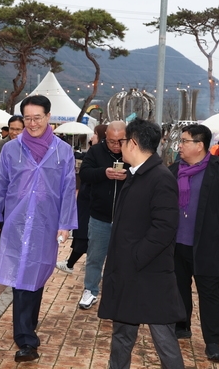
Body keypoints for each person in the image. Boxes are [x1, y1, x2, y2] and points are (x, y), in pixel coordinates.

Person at [0, 95, 77, 362]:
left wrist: (65, 225)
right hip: (15, 224)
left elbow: (68, 189)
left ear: (49, 117)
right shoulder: (11, 149)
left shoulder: (63, 151)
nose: (33, 122)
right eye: (28, 118)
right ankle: (26, 339)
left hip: (45, 225)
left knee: (36, 277)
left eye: (38, 117)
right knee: (20, 280)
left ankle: (27, 330)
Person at [98, 118, 185, 369]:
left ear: (133, 143)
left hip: (150, 274)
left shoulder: (160, 177)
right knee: (122, 335)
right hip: (128, 273)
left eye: (123, 141)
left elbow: (165, 227)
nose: (120, 145)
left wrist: (136, 256)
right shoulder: (136, 174)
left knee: (164, 338)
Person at [169, 124, 219, 363]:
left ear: (199, 145)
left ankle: (212, 342)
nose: (180, 145)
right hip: (176, 243)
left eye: (184, 141)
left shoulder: (218, 172)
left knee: (209, 293)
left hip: (206, 245)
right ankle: (182, 324)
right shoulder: (173, 170)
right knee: (179, 287)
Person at [77, 121, 128, 310]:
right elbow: (85, 173)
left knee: (124, 258)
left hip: (126, 217)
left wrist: (128, 176)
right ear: (105, 136)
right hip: (100, 215)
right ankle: (90, 290)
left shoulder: (133, 151)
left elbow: (144, 174)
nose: (116, 145)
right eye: (111, 141)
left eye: (120, 141)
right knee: (95, 256)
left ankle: (120, 294)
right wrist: (103, 173)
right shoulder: (96, 151)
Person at [56, 124, 107, 274]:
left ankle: (73, 264)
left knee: (85, 235)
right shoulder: (94, 153)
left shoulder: (101, 155)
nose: (92, 138)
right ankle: (73, 263)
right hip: (86, 201)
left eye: (95, 135)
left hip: (91, 203)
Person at [0, 115, 24, 277]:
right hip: (3, 196)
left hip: (21, 198)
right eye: (12, 129)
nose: (15, 132)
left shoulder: (28, 146)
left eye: (18, 129)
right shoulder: (0, 145)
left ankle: (15, 262)